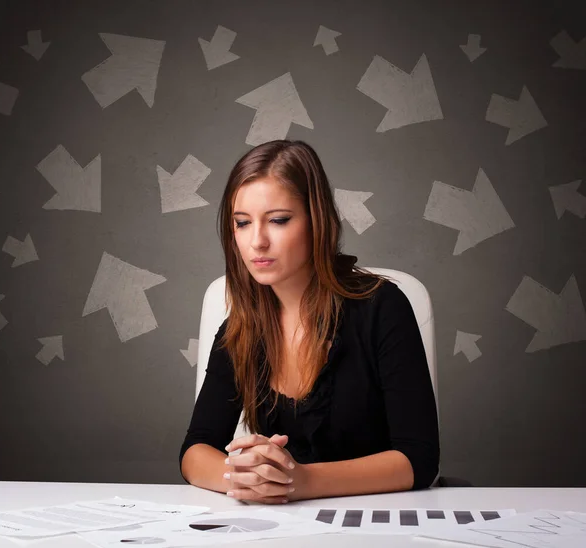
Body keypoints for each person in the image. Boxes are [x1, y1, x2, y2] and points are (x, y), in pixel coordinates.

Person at [179, 139, 440, 504]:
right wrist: (245, 479)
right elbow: (195, 450)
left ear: (317, 221)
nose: (257, 241)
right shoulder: (239, 328)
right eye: (242, 223)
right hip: (283, 527)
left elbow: (419, 459)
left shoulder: (383, 307)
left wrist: (298, 481)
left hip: (378, 521)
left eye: (279, 220)